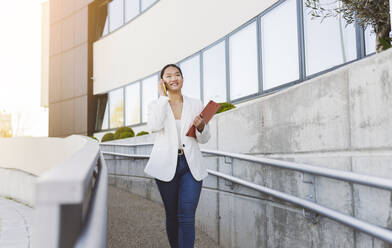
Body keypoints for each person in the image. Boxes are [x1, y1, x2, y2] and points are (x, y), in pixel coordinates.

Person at [144, 64, 211, 248]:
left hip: (190, 165)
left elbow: (204, 138)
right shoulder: (156, 105)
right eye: (169, 76)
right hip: (166, 164)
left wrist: (201, 127)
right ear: (163, 81)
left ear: (182, 78)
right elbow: (154, 126)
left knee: (187, 215)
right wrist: (163, 98)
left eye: (177, 75)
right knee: (172, 215)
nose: (174, 78)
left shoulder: (195, 103)